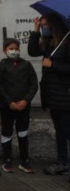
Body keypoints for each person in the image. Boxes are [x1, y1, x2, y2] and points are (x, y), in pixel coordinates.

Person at [28, 13, 70, 177]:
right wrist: (36, 31)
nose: (44, 28)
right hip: (52, 96)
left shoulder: (67, 43)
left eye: (46, 25)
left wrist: (53, 65)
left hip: (65, 96)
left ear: (55, 25)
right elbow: (32, 51)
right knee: (59, 131)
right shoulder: (50, 43)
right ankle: (62, 162)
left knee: (67, 131)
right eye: (43, 25)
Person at [0, 37, 38, 173]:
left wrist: (25, 100)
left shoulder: (26, 65)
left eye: (16, 48)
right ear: (4, 51)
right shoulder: (1, 66)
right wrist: (10, 102)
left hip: (24, 107)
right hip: (7, 107)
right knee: (7, 133)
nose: (14, 51)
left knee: (23, 132)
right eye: (11, 49)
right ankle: (7, 160)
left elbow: (33, 84)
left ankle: (24, 160)